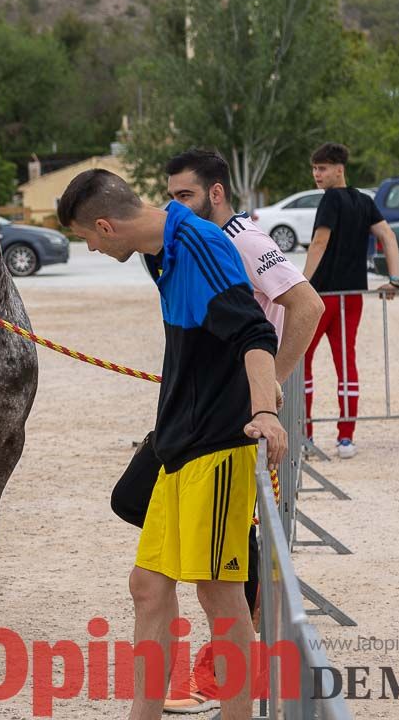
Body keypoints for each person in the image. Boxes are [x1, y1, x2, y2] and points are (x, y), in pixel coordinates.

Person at [57, 169, 287, 720]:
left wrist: (265, 412)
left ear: (107, 226)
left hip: (219, 442)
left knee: (220, 596)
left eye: (87, 237)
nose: (90, 247)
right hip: (179, 444)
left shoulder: (200, 244)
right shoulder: (158, 247)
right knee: (148, 587)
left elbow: (254, 332)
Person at [153, 149, 323, 713]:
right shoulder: (205, 240)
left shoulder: (241, 240)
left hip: (237, 421)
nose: (176, 208)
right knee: (169, 526)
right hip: (210, 416)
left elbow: (308, 305)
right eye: (170, 196)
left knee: (235, 554)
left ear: (217, 193)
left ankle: (226, 672)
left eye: (186, 197)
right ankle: (226, 664)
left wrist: (269, 388)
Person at [302, 143, 399, 458]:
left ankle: (306, 436)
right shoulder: (364, 200)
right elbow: (387, 235)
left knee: (301, 361)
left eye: (322, 168)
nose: (317, 174)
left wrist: (300, 283)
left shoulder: (330, 199)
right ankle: (346, 437)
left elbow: (320, 241)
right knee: (346, 363)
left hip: (322, 296)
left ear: (339, 169)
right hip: (352, 296)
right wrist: (395, 278)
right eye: (315, 168)